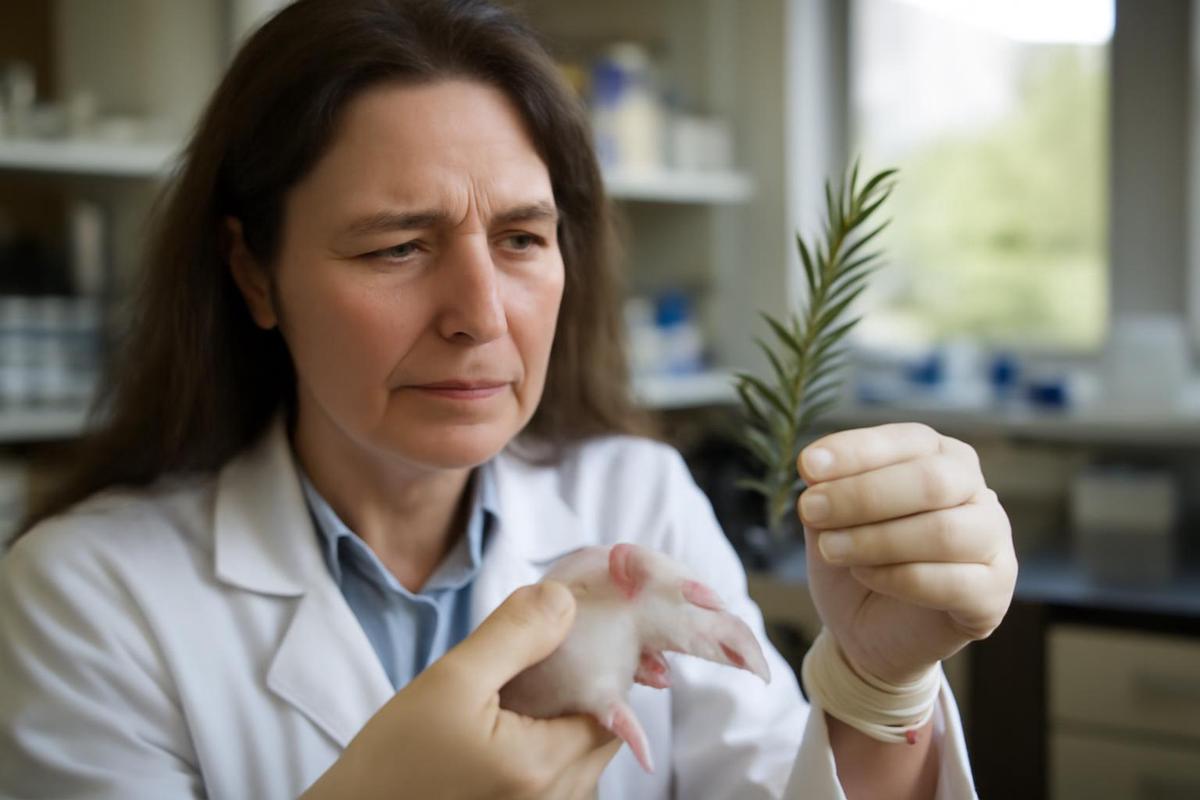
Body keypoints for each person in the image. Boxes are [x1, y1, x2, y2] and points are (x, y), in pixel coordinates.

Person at [0, 0, 1018, 797]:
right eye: (399, 245)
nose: (481, 315)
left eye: (523, 238)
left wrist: (879, 691)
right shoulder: (87, 594)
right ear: (255, 271)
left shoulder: (638, 498)